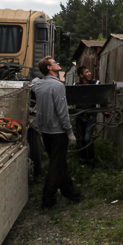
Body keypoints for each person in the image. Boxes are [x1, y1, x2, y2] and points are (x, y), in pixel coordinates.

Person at [32, 55, 82, 209]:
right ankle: (47, 200)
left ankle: (71, 193)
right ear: (49, 68)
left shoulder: (38, 85)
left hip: (45, 131)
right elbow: (62, 112)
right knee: (55, 165)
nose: (58, 63)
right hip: (58, 132)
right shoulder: (58, 86)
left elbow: (32, 82)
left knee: (59, 163)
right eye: (54, 62)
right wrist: (69, 132)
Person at [75, 66, 98, 167]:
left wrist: (105, 109)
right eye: (86, 72)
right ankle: (83, 160)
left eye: (89, 72)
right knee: (81, 139)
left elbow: (101, 96)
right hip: (79, 115)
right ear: (81, 75)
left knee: (88, 138)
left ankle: (92, 161)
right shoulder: (76, 85)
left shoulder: (95, 84)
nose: (89, 73)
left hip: (91, 115)